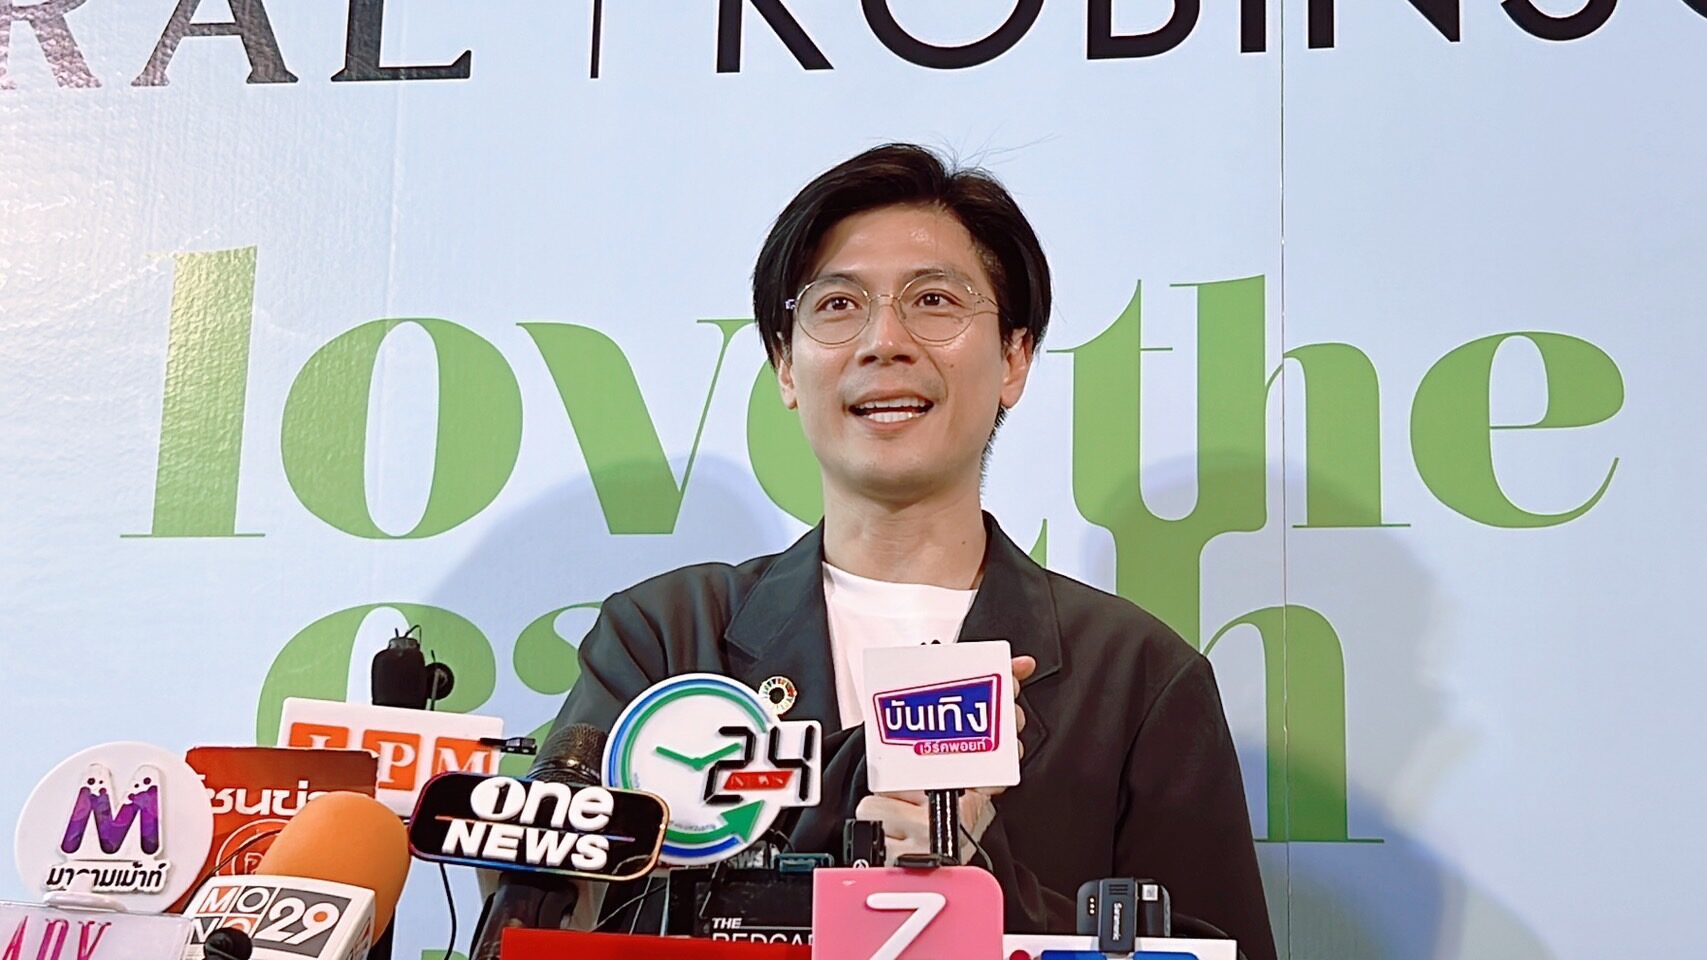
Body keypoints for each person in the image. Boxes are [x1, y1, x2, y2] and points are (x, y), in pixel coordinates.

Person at [553, 142, 1276, 958]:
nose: (884, 341)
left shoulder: (1133, 677)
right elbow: (549, 908)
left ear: (1013, 358)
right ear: (784, 365)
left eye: (933, 301)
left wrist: (982, 888)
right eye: (837, 305)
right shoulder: (665, 638)